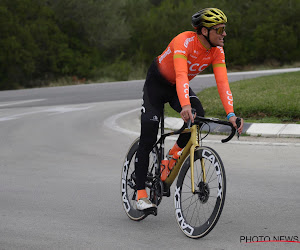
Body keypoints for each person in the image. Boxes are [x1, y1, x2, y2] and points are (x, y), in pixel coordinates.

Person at [135, 8, 244, 210]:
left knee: (198, 115)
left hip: (177, 87)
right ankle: (141, 194)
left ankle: (172, 156)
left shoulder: (217, 51)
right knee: (148, 136)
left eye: (224, 29)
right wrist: (185, 105)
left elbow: (222, 83)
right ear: (204, 31)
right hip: (157, 85)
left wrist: (231, 114)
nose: (224, 34)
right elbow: (181, 75)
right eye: (219, 30)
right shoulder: (183, 41)